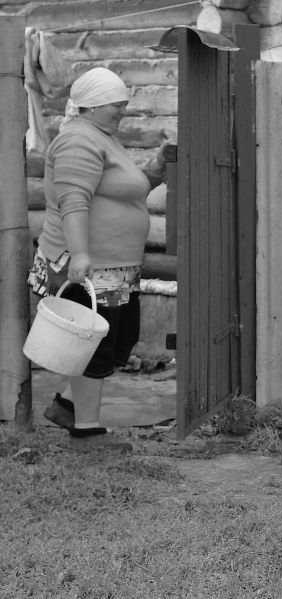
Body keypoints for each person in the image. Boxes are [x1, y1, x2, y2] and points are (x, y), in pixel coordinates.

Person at [28, 67, 169, 443]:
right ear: (91, 105)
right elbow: (74, 200)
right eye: (116, 105)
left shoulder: (103, 137)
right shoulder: (77, 140)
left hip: (117, 268)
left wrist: (156, 166)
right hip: (90, 267)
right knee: (95, 347)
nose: (122, 111)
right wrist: (80, 254)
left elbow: (128, 188)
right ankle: (87, 430)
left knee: (121, 340)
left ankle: (66, 406)